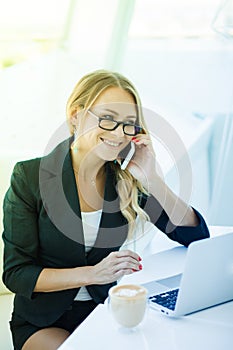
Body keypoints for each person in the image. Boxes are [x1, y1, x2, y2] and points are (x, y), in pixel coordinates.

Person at [2, 69, 209, 350]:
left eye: (128, 124)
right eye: (108, 118)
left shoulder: (125, 179)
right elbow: (17, 273)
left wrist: (152, 178)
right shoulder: (30, 176)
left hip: (106, 314)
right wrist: (92, 273)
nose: (118, 133)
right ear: (76, 115)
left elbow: (194, 236)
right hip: (43, 322)